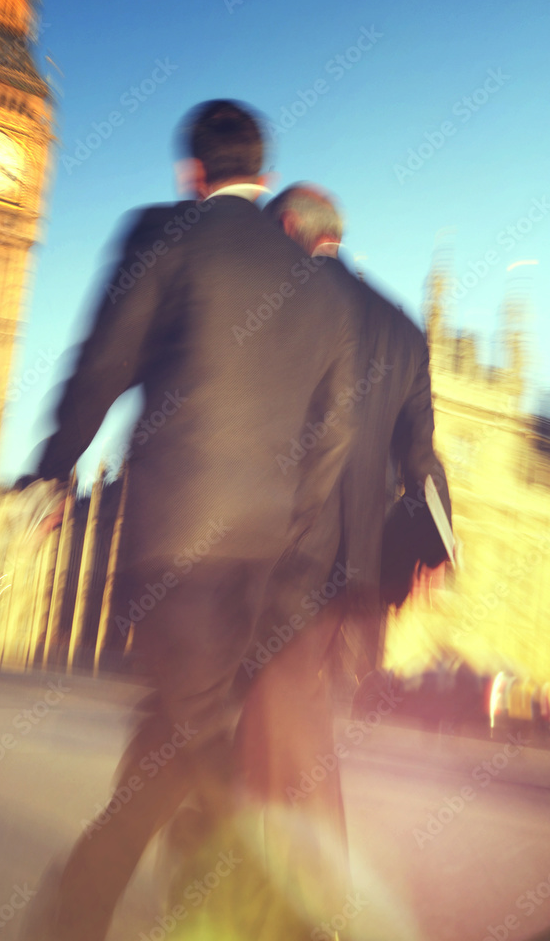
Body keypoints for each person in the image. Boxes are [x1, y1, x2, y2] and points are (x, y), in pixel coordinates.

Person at [20, 101, 364, 941]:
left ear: (190, 172)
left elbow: (102, 361)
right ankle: (92, 911)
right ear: (262, 167)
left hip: (178, 539)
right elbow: (334, 440)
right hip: (267, 556)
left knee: (196, 738)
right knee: (176, 737)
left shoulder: (162, 234)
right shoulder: (319, 287)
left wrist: (53, 470)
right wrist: (301, 557)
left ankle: (290, 913)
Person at [225, 183, 452, 936]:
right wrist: (438, 546)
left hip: (282, 559)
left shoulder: (281, 305)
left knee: (276, 747)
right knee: (289, 738)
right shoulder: (400, 325)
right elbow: (419, 456)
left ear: (288, 230)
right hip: (356, 577)